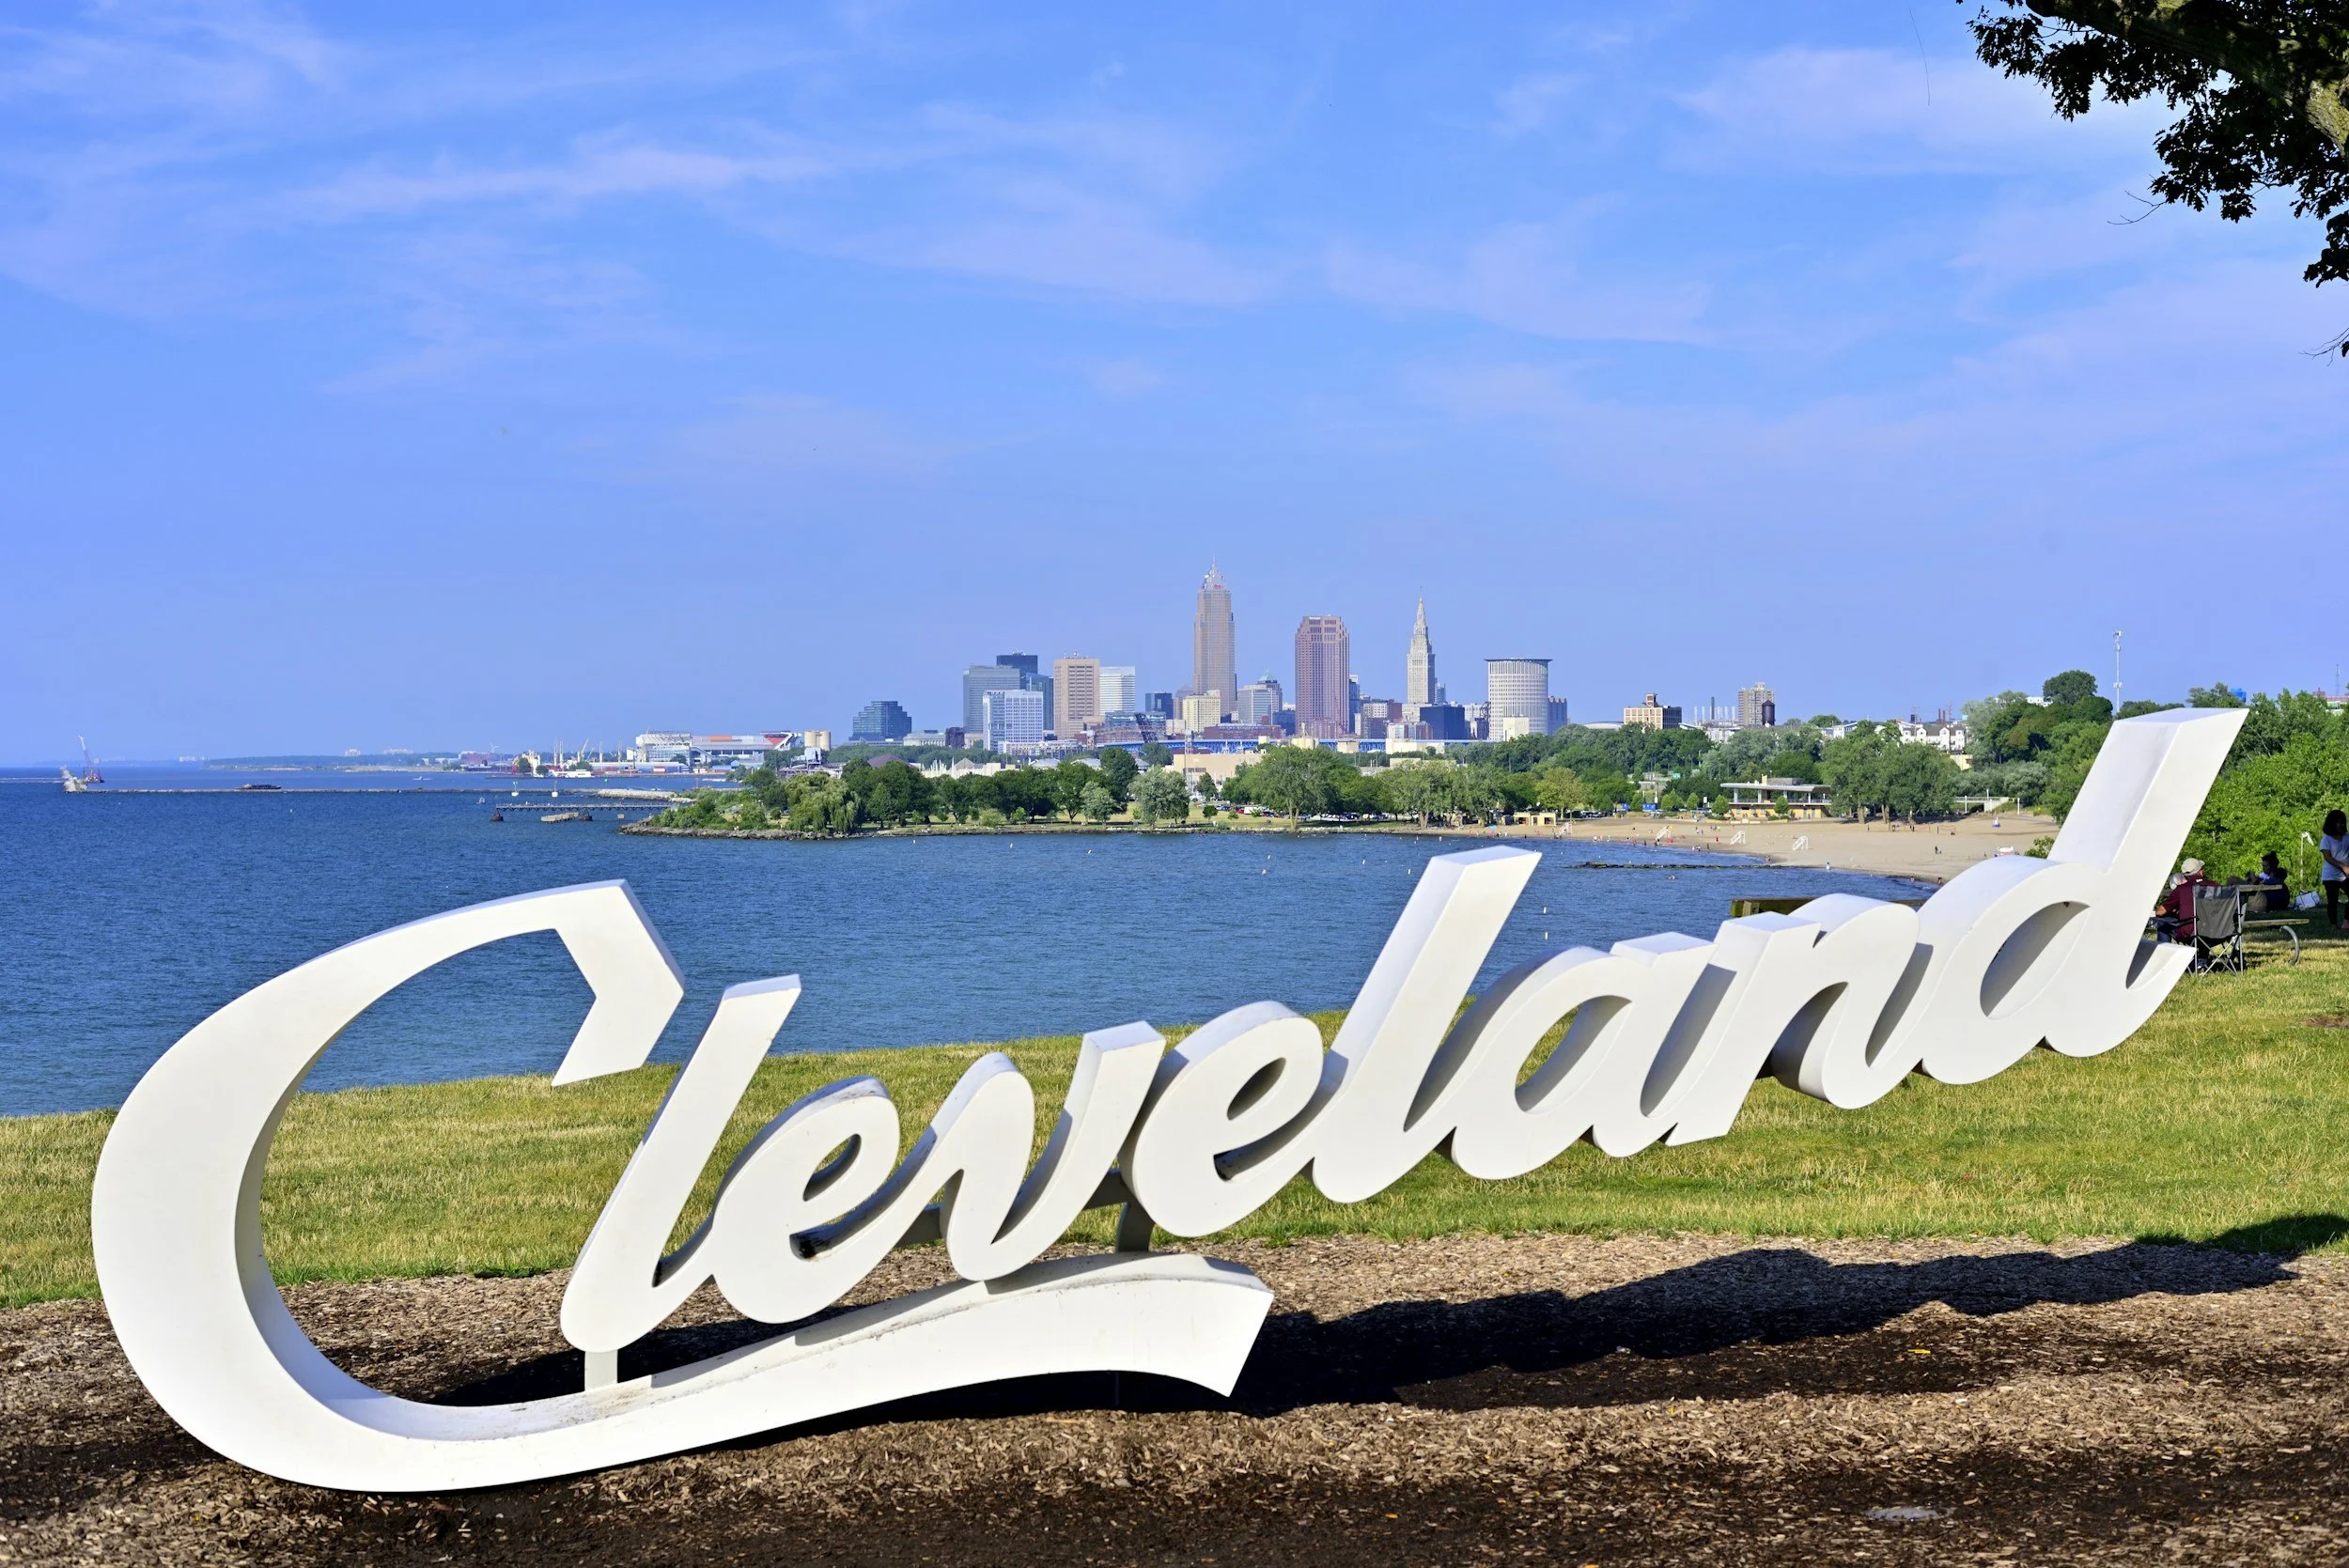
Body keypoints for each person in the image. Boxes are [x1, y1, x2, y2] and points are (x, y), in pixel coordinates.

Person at [2156, 857, 2211, 943]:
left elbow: (2160, 912)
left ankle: (2164, 950)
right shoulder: (2215, 886)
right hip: (2216, 932)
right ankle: (2202, 952)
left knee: (2162, 921)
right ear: (2201, 872)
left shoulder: (2182, 889)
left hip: (2191, 934)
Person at [2324, 810, 2349, 929]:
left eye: (2343, 822)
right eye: (2338, 822)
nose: (2341, 825)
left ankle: (2346, 922)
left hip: (2346, 875)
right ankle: (2333, 925)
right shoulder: (2326, 839)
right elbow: (2327, 857)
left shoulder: (2347, 838)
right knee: (2332, 901)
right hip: (2330, 876)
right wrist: (2343, 866)